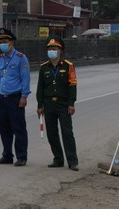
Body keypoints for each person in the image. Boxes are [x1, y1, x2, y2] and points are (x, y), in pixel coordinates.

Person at [36, 36, 79, 171]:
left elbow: (72, 85)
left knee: (67, 133)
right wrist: (39, 105)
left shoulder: (68, 66)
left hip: (63, 104)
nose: (51, 51)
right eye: (49, 49)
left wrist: (71, 103)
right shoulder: (44, 68)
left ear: (60, 51)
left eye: (54, 49)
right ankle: (58, 159)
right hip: (48, 104)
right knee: (52, 134)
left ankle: (72, 161)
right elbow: (40, 88)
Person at [0, 28, 31, 167]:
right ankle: (7, 155)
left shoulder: (21, 58)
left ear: (12, 42)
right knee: (4, 128)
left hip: (16, 98)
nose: (3, 44)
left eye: (5, 41)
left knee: (18, 128)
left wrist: (24, 96)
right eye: (1, 41)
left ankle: (22, 157)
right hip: (3, 98)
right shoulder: (0, 58)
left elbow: (25, 78)